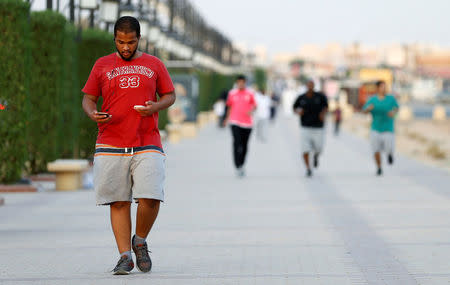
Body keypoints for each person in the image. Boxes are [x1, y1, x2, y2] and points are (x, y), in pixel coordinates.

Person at [81, 16, 176, 275]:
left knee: (151, 196)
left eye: (131, 42)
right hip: (111, 141)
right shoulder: (101, 65)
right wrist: (92, 113)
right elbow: (89, 99)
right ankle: (125, 256)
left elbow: (169, 95)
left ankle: (140, 240)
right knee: (118, 200)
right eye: (121, 42)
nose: (126, 47)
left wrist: (155, 107)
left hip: (147, 141)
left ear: (139, 39)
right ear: (114, 39)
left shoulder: (154, 64)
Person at [362, 80, 399, 176]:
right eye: (382, 87)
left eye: (385, 87)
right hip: (375, 128)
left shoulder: (391, 99)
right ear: (377, 88)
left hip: (388, 128)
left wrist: (393, 113)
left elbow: (396, 108)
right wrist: (368, 109)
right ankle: (379, 167)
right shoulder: (372, 100)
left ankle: (390, 154)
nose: (384, 89)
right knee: (376, 149)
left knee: (389, 147)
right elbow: (364, 110)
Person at [292, 80, 328, 177]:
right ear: (306, 86)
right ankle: (308, 168)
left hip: (318, 127)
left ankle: (316, 155)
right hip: (305, 127)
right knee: (305, 149)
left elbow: (326, 106)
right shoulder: (301, 98)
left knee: (319, 147)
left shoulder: (320, 96)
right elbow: (294, 107)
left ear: (314, 86)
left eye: (312, 85)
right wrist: (298, 112)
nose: (310, 87)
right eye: (308, 85)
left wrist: (322, 114)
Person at [223, 75, 257, 177]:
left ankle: (242, 164)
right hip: (235, 122)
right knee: (237, 143)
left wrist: (251, 110)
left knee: (245, 145)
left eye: (243, 82)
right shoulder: (232, 93)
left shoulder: (250, 93)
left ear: (245, 82)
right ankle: (237, 165)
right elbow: (229, 107)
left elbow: (255, 105)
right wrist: (226, 119)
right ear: (237, 83)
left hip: (247, 124)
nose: (241, 84)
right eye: (239, 82)